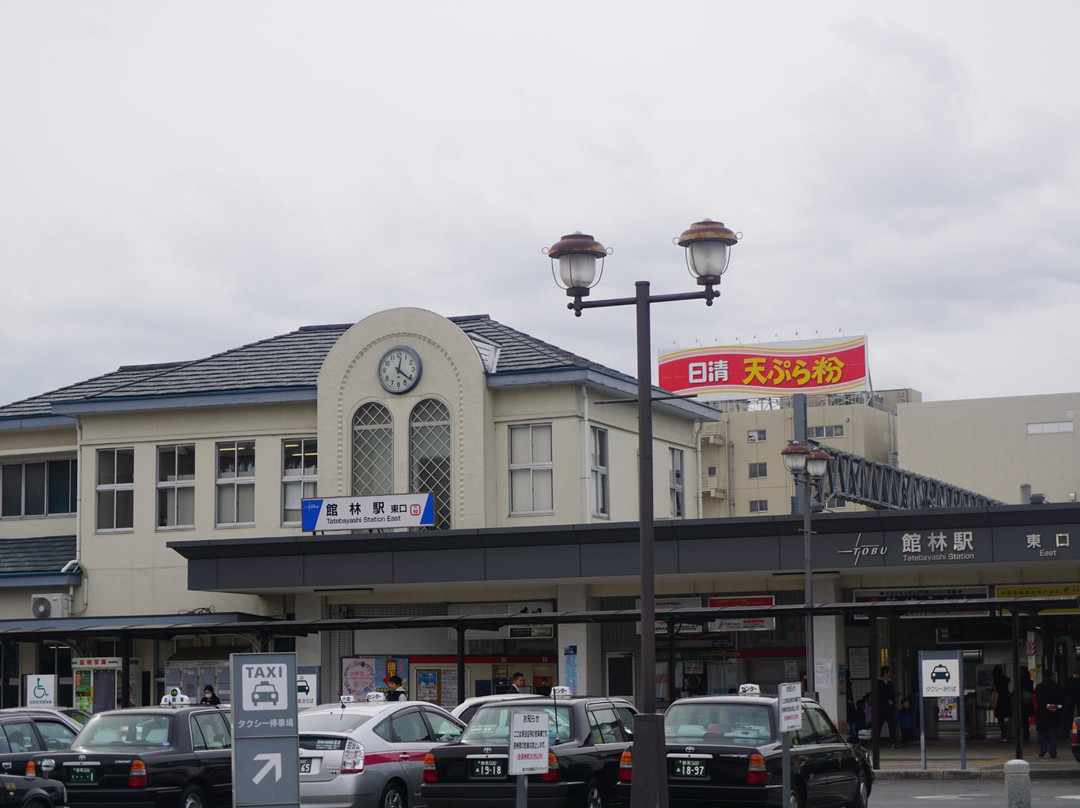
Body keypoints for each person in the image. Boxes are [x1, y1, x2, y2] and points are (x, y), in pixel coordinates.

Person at [1034, 670, 1066, 758]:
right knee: (1053, 732)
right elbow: (1062, 700)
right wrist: (1054, 707)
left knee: (1040, 732)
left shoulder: (1039, 687)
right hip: (1054, 713)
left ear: (1043, 677)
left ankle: (1043, 747)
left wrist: (1046, 706)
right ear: (1052, 676)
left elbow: (1039, 701)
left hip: (1042, 713)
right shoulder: (1058, 687)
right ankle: (1053, 750)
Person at [876, 666, 900, 748]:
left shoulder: (889, 683)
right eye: (889, 672)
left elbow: (892, 694)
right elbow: (878, 696)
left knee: (892, 725)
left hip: (889, 708)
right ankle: (875, 742)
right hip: (881, 708)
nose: (890, 674)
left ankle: (893, 742)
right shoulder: (878, 683)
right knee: (878, 726)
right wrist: (886, 701)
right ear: (885, 673)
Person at [992, 664, 1012, 741]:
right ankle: (1005, 733)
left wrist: (991, 691)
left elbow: (996, 690)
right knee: (1003, 717)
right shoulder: (1005, 680)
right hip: (1006, 700)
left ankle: (1004, 734)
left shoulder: (997, 680)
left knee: (1000, 718)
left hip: (999, 701)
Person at [1018, 667, 1035, 741]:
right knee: (1026, 716)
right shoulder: (1030, 681)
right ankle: (1026, 730)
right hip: (1028, 701)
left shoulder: (1020, 681)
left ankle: (1025, 731)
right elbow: (1032, 691)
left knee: (1023, 717)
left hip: (1022, 701)